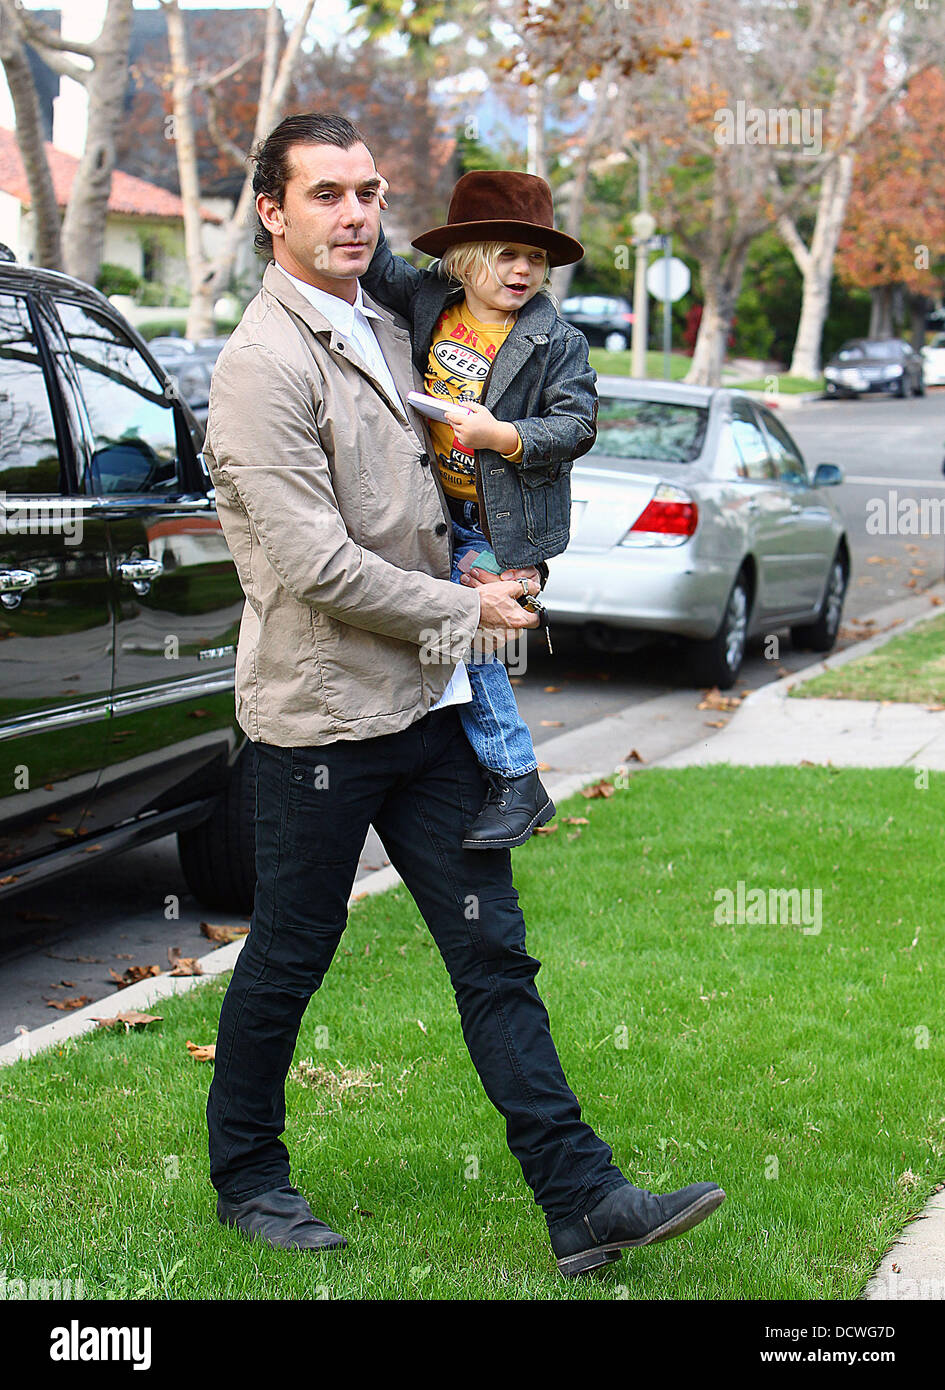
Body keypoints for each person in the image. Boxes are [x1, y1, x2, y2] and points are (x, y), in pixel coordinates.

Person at [202, 111, 725, 1278]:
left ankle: (582, 1197)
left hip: (433, 712)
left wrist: (502, 554)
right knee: (293, 950)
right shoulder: (261, 367)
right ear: (272, 213)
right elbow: (313, 564)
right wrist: (469, 612)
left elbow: (452, 478)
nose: (354, 215)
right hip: (326, 717)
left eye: (369, 193)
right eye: (326, 194)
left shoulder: (395, 322)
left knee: (495, 953)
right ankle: (247, 1176)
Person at [360, 170, 591, 851]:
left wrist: (503, 436)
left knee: (471, 637)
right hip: (433, 510)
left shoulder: (556, 340)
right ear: (462, 261)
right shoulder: (431, 299)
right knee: (441, 636)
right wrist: (367, 197)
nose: (522, 270)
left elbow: (576, 425)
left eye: (536, 259)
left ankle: (517, 777)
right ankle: (462, 771)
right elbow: (372, 262)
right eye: (505, 255)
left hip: (500, 525)